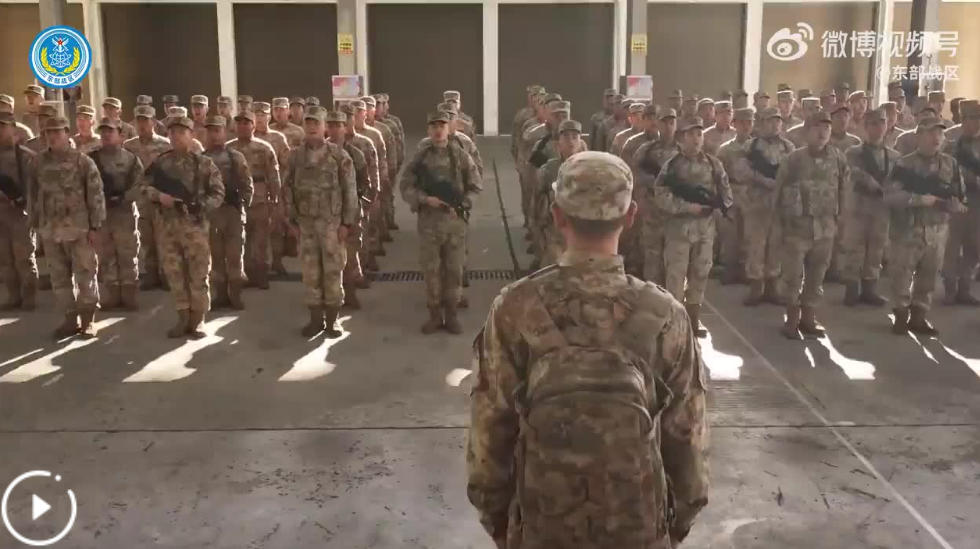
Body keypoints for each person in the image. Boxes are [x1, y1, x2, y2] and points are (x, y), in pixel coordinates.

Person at [467, 151, 708, 549]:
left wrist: (501, 524)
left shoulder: (515, 308)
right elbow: (687, 439)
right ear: (631, 216)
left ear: (557, 215)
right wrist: (671, 526)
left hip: (544, 529)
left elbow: (490, 432)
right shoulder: (666, 314)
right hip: (638, 530)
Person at [141, 113, 225, 339]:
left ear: (191, 135)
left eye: (181, 132)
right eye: (172, 132)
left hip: (195, 228)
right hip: (167, 228)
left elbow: (218, 193)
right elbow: (143, 186)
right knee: (175, 274)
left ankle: (198, 319)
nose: (176, 136)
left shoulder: (204, 164)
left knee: (198, 274)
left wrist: (201, 205)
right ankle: (182, 317)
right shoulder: (160, 163)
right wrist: (159, 196)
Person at [399, 112, 481, 334]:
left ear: (449, 128)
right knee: (431, 271)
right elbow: (405, 186)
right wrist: (425, 199)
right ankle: (435, 315)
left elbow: (476, 186)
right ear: (428, 130)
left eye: (442, 125)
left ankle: (452, 315)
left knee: (454, 270)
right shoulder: (420, 159)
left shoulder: (460, 156)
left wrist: (462, 204)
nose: (437, 130)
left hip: (455, 224)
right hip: (429, 224)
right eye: (433, 126)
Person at [885, 116, 966, 335]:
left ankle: (919, 317)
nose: (936, 137)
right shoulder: (903, 164)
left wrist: (955, 205)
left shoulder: (950, 164)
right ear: (918, 136)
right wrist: (919, 199)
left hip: (937, 230)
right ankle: (900, 315)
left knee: (929, 276)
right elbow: (890, 196)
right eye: (931, 132)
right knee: (901, 275)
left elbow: (959, 195)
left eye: (940, 133)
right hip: (907, 229)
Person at [284, 108, 358, 338]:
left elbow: (350, 191)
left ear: (325, 126)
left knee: (333, 272)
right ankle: (315, 319)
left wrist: (346, 223)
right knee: (310, 273)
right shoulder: (295, 157)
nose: (312, 127)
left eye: (317, 123)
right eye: (308, 123)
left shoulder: (339, 156)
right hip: (306, 226)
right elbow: (287, 189)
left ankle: (333, 321)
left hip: (332, 226)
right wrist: (291, 220)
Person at [655, 116, 733, 336]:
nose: (696, 139)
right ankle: (675, 324)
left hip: (705, 229)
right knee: (676, 277)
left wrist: (719, 206)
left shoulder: (713, 164)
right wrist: (688, 207)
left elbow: (726, 192)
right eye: (691, 134)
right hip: (679, 229)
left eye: (699, 134)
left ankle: (693, 319)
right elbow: (660, 194)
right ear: (682, 138)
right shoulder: (672, 166)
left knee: (701, 273)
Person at [775, 111, 850, 339]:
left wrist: (842, 220)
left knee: (817, 274)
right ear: (806, 131)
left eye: (827, 128)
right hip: (797, 228)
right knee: (793, 276)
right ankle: (791, 319)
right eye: (817, 128)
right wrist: (777, 225)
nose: (822, 133)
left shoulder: (838, 158)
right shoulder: (793, 159)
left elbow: (844, 189)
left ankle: (808, 318)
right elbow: (778, 192)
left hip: (825, 228)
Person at [33, 116, 105, 338]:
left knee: (85, 274)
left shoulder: (82, 162)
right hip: (51, 230)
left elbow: (95, 195)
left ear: (67, 132)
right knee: (59, 278)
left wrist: (95, 226)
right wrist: (36, 223)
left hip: (79, 229)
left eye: (57, 131)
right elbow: (33, 194)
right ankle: (69, 319)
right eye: (49, 132)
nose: (53, 136)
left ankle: (88, 320)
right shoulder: (38, 162)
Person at [735, 107, 795, 305]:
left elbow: (795, 172)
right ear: (762, 123)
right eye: (770, 121)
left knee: (776, 245)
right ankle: (755, 287)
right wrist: (762, 180)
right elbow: (740, 171)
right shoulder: (751, 146)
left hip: (779, 204)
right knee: (756, 245)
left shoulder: (788, 147)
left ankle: (772, 287)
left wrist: (781, 185)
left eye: (778, 121)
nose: (775, 124)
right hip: (757, 203)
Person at [842, 108, 896, 306]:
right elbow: (852, 172)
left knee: (877, 249)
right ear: (865, 127)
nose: (879, 127)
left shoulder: (894, 155)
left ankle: (869, 289)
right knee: (854, 249)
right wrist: (867, 180)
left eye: (882, 122)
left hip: (881, 208)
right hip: (859, 206)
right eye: (873, 123)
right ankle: (851, 289)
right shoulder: (854, 152)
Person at [91, 118, 143, 310]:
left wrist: (123, 198)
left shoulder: (131, 159)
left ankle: (129, 294)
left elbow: (140, 184)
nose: (106, 135)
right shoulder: (91, 159)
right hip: (101, 214)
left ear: (121, 135)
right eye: (103, 131)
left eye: (110, 131)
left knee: (127, 254)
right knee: (106, 255)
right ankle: (112, 293)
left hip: (124, 213)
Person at [227, 110, 281, 290]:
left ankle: (261, 275)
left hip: (259, 201)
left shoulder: (264, 148)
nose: (242, 126)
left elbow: (273, 176)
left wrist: (275, 201)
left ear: (253, 125)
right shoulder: (228, 148)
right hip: (236, 201)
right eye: (239, 123)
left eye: (246, 123)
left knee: (260, 241)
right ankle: (242, 275)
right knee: (238, 241)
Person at [203, 115, 252, 310]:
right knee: (215, 256)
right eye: (210, 131)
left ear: (225, 132)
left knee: (234, 256)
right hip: (212, 214)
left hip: (232, 213)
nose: (213, 135)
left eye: (217, 130)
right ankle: (220, 295)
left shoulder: (235, 157)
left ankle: (236, 296)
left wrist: (242, 207)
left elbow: (247, 184)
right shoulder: (201, 158)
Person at [124, 105, 173, 291]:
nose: (142, 124)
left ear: (154, 122)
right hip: (140, 198)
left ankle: (167, 275)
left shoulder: (165, 144)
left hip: (160, 197)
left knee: (164, 238)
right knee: (146, 238)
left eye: (146, 120)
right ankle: (151, 274)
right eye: (139, 120)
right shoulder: (129, 146)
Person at [326, 110, 370, 309]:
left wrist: (352, 202)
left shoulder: (355, 154)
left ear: (345, 128)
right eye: (331, 125)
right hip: (326, 214)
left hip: (350, 212)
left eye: (338, 125)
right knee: (327, 258)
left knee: (350, 257)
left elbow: (364, 182)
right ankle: (330, 298)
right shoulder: (320, 152)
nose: (334, 130)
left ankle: (350, 294)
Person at [633, 107, 680, 285]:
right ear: (658, 125)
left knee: (675, 259)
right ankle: (652, 293)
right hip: (652, 211)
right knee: (652, 257)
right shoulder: (645, 151)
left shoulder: (683, 151)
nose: (668, 126)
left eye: (671, 122)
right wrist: (655, 185)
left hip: (675, 214)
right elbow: (635, 176)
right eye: (664, 122)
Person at [941, 100, 980, 305]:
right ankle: (950, 288)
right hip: (956, 199)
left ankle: (965, 287)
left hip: (977, 202)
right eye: (967, 118)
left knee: (974, 247)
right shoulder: (952, 144)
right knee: (952, 246)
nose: (971, 123)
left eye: (975, 118)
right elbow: (945, 171)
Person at [0, 112, 38, 309]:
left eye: (3, 126)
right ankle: (13, 295)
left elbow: (36, 186)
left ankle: (28, 296)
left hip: (19, 214)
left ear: (13, 129)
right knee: (4, 259)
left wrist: (23, 201)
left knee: (23, 257)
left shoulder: (25, 156)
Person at [534, 119, 582, 266]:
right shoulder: (549, 169)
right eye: (565, 137)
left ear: (581, 142)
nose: (571, 141)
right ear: (558, 143)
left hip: (581, 233)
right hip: (555, 233)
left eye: (575, 137)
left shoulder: (590, 168)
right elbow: (538, 203)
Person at [716, 107, 756, 284]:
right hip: (732, 192)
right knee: (730, 234)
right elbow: (718, 175)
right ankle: (730, 269)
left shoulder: (757, 148)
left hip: (751, 194)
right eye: (742, 123)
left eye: (749, 122)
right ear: (735, 124)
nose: (746, 126)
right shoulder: (725, 149)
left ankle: (747, 270)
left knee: (749, 234)